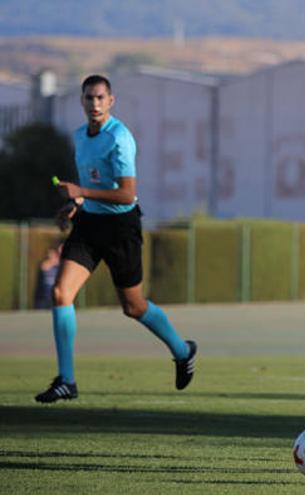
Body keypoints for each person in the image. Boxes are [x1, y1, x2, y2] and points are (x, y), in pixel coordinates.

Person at [35, 74, 197, 404]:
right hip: (89, 223)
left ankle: (182, 351)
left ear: (111, 101)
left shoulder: (120, 138)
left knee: (133, 307)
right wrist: (75, 203)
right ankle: (67, 380)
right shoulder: (80, 136)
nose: (94, 104)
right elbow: (92, 182)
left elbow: (126, 194)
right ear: (81, 102)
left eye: (99, 98)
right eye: (88, 98)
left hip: (122, 227)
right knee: (60, 291)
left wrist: (81, 191)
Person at [34, 243, 62, 309]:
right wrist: (53, 261)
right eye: (49, 254)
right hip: (43, 297)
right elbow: (44, 267)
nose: (50, 255)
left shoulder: (60, 265)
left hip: (54, 296)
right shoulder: (45, 263)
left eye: (51, 253)